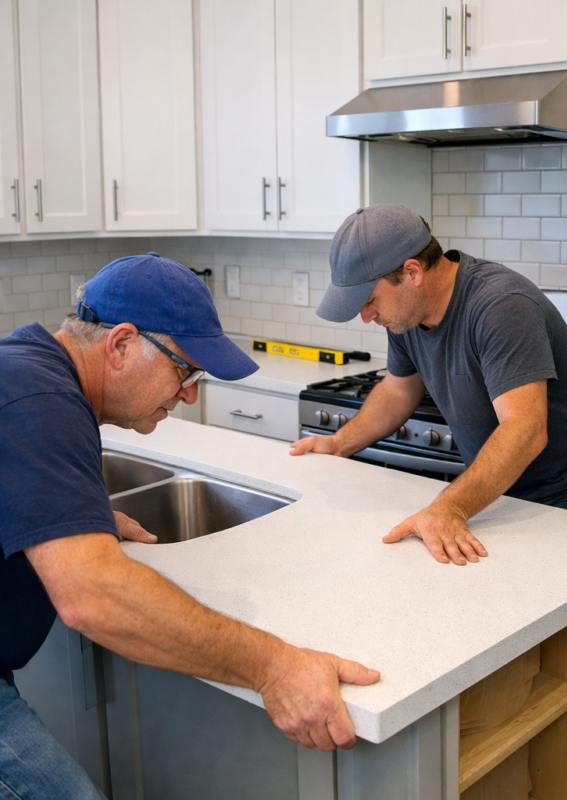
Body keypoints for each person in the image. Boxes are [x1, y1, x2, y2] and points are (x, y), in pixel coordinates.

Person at [0, 254, 381, 799]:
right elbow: (93, 597)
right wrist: (274, 668)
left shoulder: (27, 367)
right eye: (185, 371)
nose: (190, 395)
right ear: (121, 344)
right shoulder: (40, 399)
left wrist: (64, 509)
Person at [290, 205, 567, 566]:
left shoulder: (500, 306)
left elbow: (525, 428)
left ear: (412, 272)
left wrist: (448, 508)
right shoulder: (408, 315)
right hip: (499, 501)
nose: (366, 316)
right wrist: (340, 443)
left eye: (370, 300)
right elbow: (398, 389)